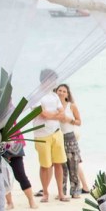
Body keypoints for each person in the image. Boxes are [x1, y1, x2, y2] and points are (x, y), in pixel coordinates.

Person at [33, 70, 69, 203]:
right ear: (45, 80)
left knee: (59, 163)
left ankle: (60, 193)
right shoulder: (36, 96)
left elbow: (62, 113)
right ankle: (45, 193)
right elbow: (43, 114)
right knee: (45, 165)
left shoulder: (54, 96)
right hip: (42, 134)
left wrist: (52, 115)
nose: (54, 83)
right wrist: (55, 116)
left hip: (56, 133)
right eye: (52, 80)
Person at [57, 84, 90, 198]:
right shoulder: (54, 106)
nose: (61, 93)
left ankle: (75, 191)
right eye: (59, 90)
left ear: (67, 94)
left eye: (64, 91)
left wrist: (69, 119)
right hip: (58, 137)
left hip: (70, 137)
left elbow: (79, 122)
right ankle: (61, 192)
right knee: (61, 167)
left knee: (73, 165)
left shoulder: (71, 106)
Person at [2, 131, 36, 209]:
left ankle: (31, 200)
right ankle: (9, 203)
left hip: (14, 145)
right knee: (3, 177)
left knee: (20, 174)